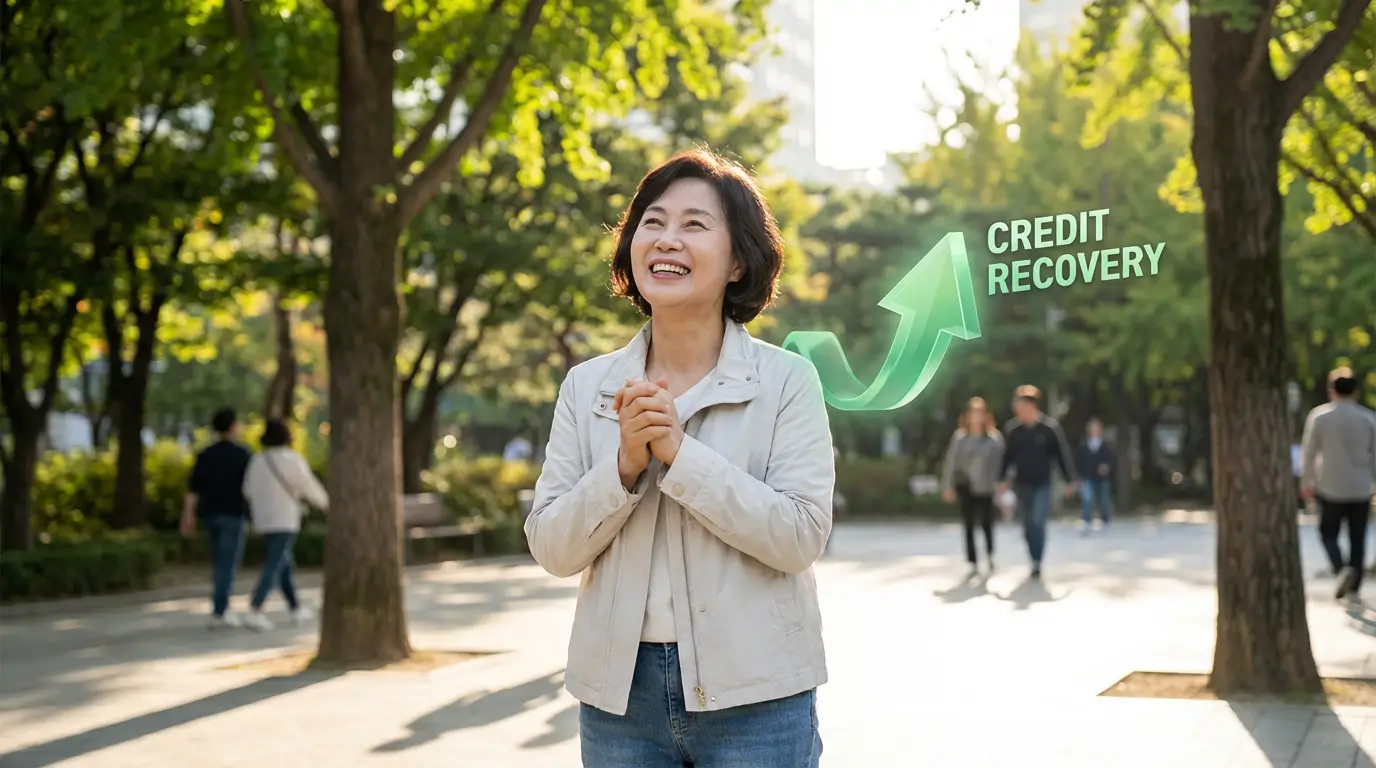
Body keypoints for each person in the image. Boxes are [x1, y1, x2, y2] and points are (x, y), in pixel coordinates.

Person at [524, 149, 834, 767]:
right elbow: (552, 548)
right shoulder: (587, 388)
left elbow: (800, 536)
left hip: (758, 695)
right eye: (653, 221)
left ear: (739, 259)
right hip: (620, 703)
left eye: (695, 224)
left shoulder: (785, 381)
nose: (667, 239)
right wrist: (623, 469)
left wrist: (680, 457)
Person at [240, 418, 329, 631]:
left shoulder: (257, 460)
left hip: (263, 519)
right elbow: (309, 487)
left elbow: (247, 491)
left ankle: (295, 607)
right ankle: (255, 607)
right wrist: (327, 505)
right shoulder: (292, 459)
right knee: (275, 563)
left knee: (283, 563)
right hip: (285, 519)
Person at [1300, 366, 1376, 601]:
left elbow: (1309, 452)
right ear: (1356, 391)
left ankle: (1340, 567)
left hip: (1330, 484)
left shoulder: (1320, 417)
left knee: (1327, 532)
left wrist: (1307, 481)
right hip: (1361, 486)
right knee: (1358, 536)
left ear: (1331, 390)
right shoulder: (1368, 418)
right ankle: (1354, 588)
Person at [180, 407, 252, 629]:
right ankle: (221, 609)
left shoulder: (205, 455)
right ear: (232, 426)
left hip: (210, 514)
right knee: (227, 563)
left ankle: (220, 606)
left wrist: (187, 515)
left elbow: (193, 489)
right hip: (234, 514)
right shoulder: (243, 454)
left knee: (219, 561)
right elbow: (252, 488)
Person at [997, 385, 1076, 579]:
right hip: (1022, 484)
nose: (1019, 410)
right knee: (1026, 523)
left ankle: (1038, 561)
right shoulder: (1014, 431)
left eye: (1022, 405)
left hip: (1043, 483)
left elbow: (1061, 455)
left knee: (1038, 520)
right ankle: (1033, 557)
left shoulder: (1049, 429)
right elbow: (1007, 458)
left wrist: (1070, 480)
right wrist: (1002, 479)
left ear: (1032, 406)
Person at [941, 397, 1005, 575]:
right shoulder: (960, 438)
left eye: (979, 413)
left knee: (987, 523)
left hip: (986, 486)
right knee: (968, 524)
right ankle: (972, 561)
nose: (976, 417)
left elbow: (1001, 464)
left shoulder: (994, 439)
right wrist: (948, 486)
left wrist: (1002, 483)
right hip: (966, 485)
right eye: (973, 413)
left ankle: (990, 555)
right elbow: (951, 463)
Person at [1078, 417, 1115, 531]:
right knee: (1087, 499)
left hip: (1102, 477)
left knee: (1103, 500)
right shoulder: (1084, 445)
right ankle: (1086, 521)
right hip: (1088, 476)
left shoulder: (1105, 445)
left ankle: (1105, 521)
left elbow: (1110, 459)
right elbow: (1080, 461)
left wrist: (1106, 466)